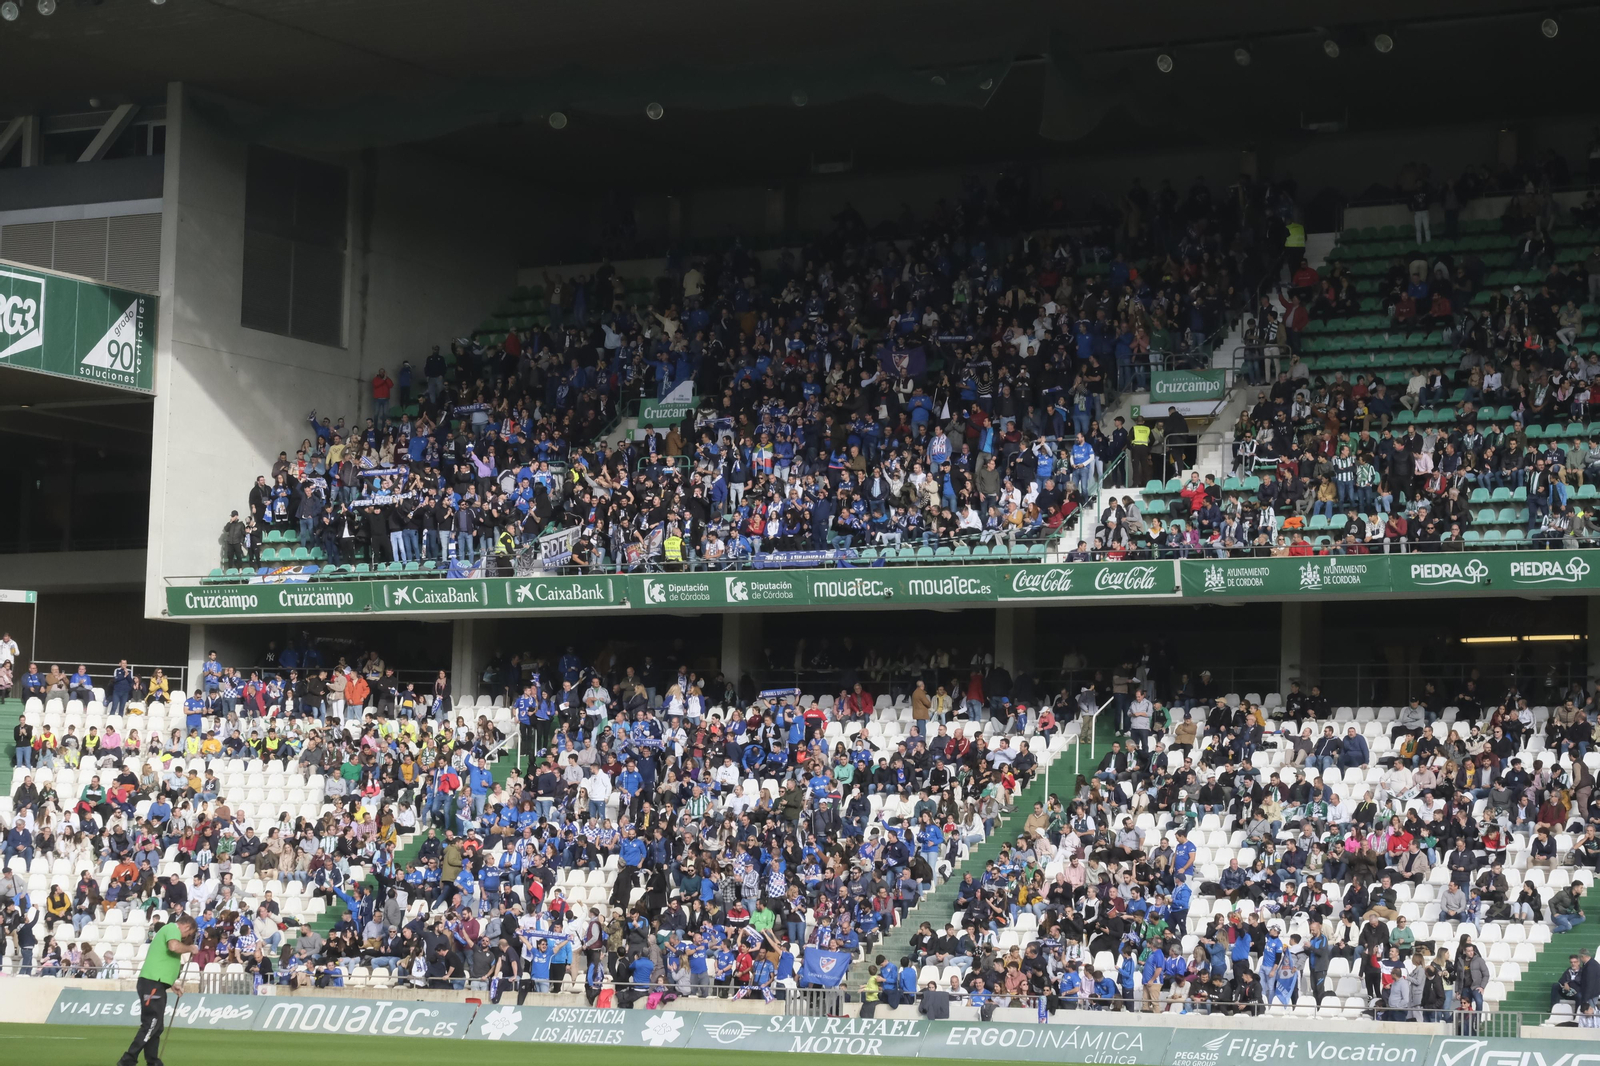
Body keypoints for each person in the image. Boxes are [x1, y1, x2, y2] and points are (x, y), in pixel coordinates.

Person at [118, 913, 198, 1066]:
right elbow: (173, 947)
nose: (186, 936)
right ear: (187, 927)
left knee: (157, 1025)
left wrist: (171, 983)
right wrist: (190, 948)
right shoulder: (172, 928)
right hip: (152, 983)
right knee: (152, 1023)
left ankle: (153, 1061)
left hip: (157, 983)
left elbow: (163, 959)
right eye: (188, 933)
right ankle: (128, 1059)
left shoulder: (168, 931)